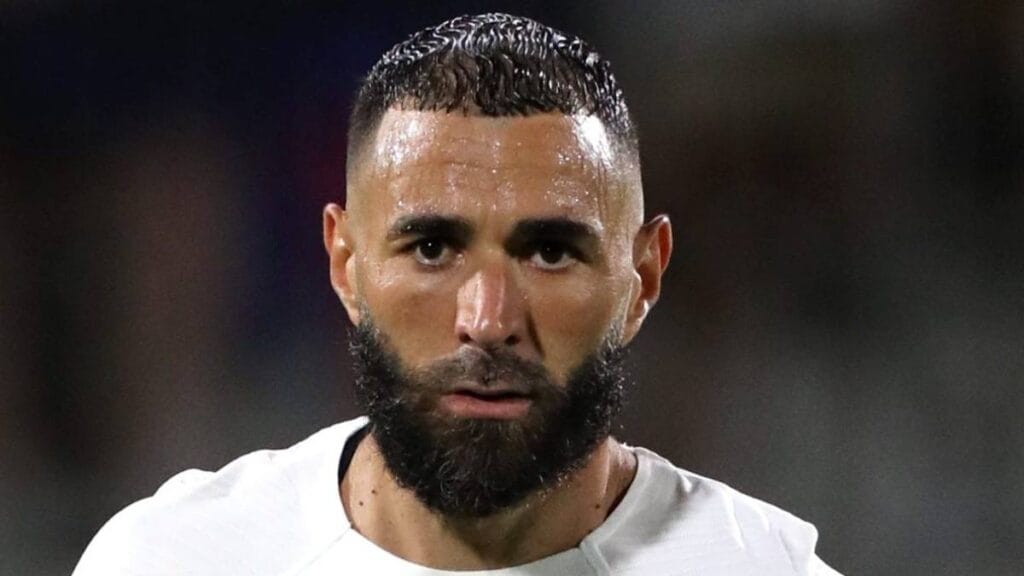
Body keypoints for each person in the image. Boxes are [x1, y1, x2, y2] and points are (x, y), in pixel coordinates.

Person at [74, 13, 842, 575]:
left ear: (643, 276)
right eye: (433, 248)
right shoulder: (174, 561)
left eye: (549, 252)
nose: (488, 320)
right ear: (345, 262)